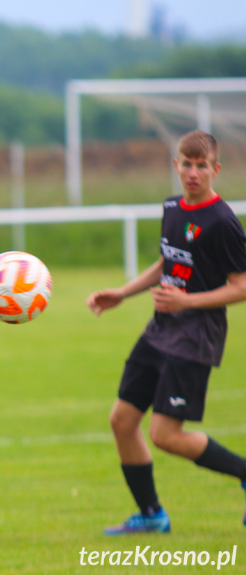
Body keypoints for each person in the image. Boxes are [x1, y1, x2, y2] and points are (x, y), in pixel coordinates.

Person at [87, 130, 246, 535]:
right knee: (122, 420)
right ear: (176, 165)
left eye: (201, 166)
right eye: (186, 164)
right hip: (161, 328)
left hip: (196, 337)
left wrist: (187, 302)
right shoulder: (172, 206)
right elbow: (168, 262)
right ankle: (152, 514)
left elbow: (241, 286)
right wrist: (122, 293)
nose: (193, 173)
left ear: (216, 169)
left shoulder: (223, 222)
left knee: (165, 435)